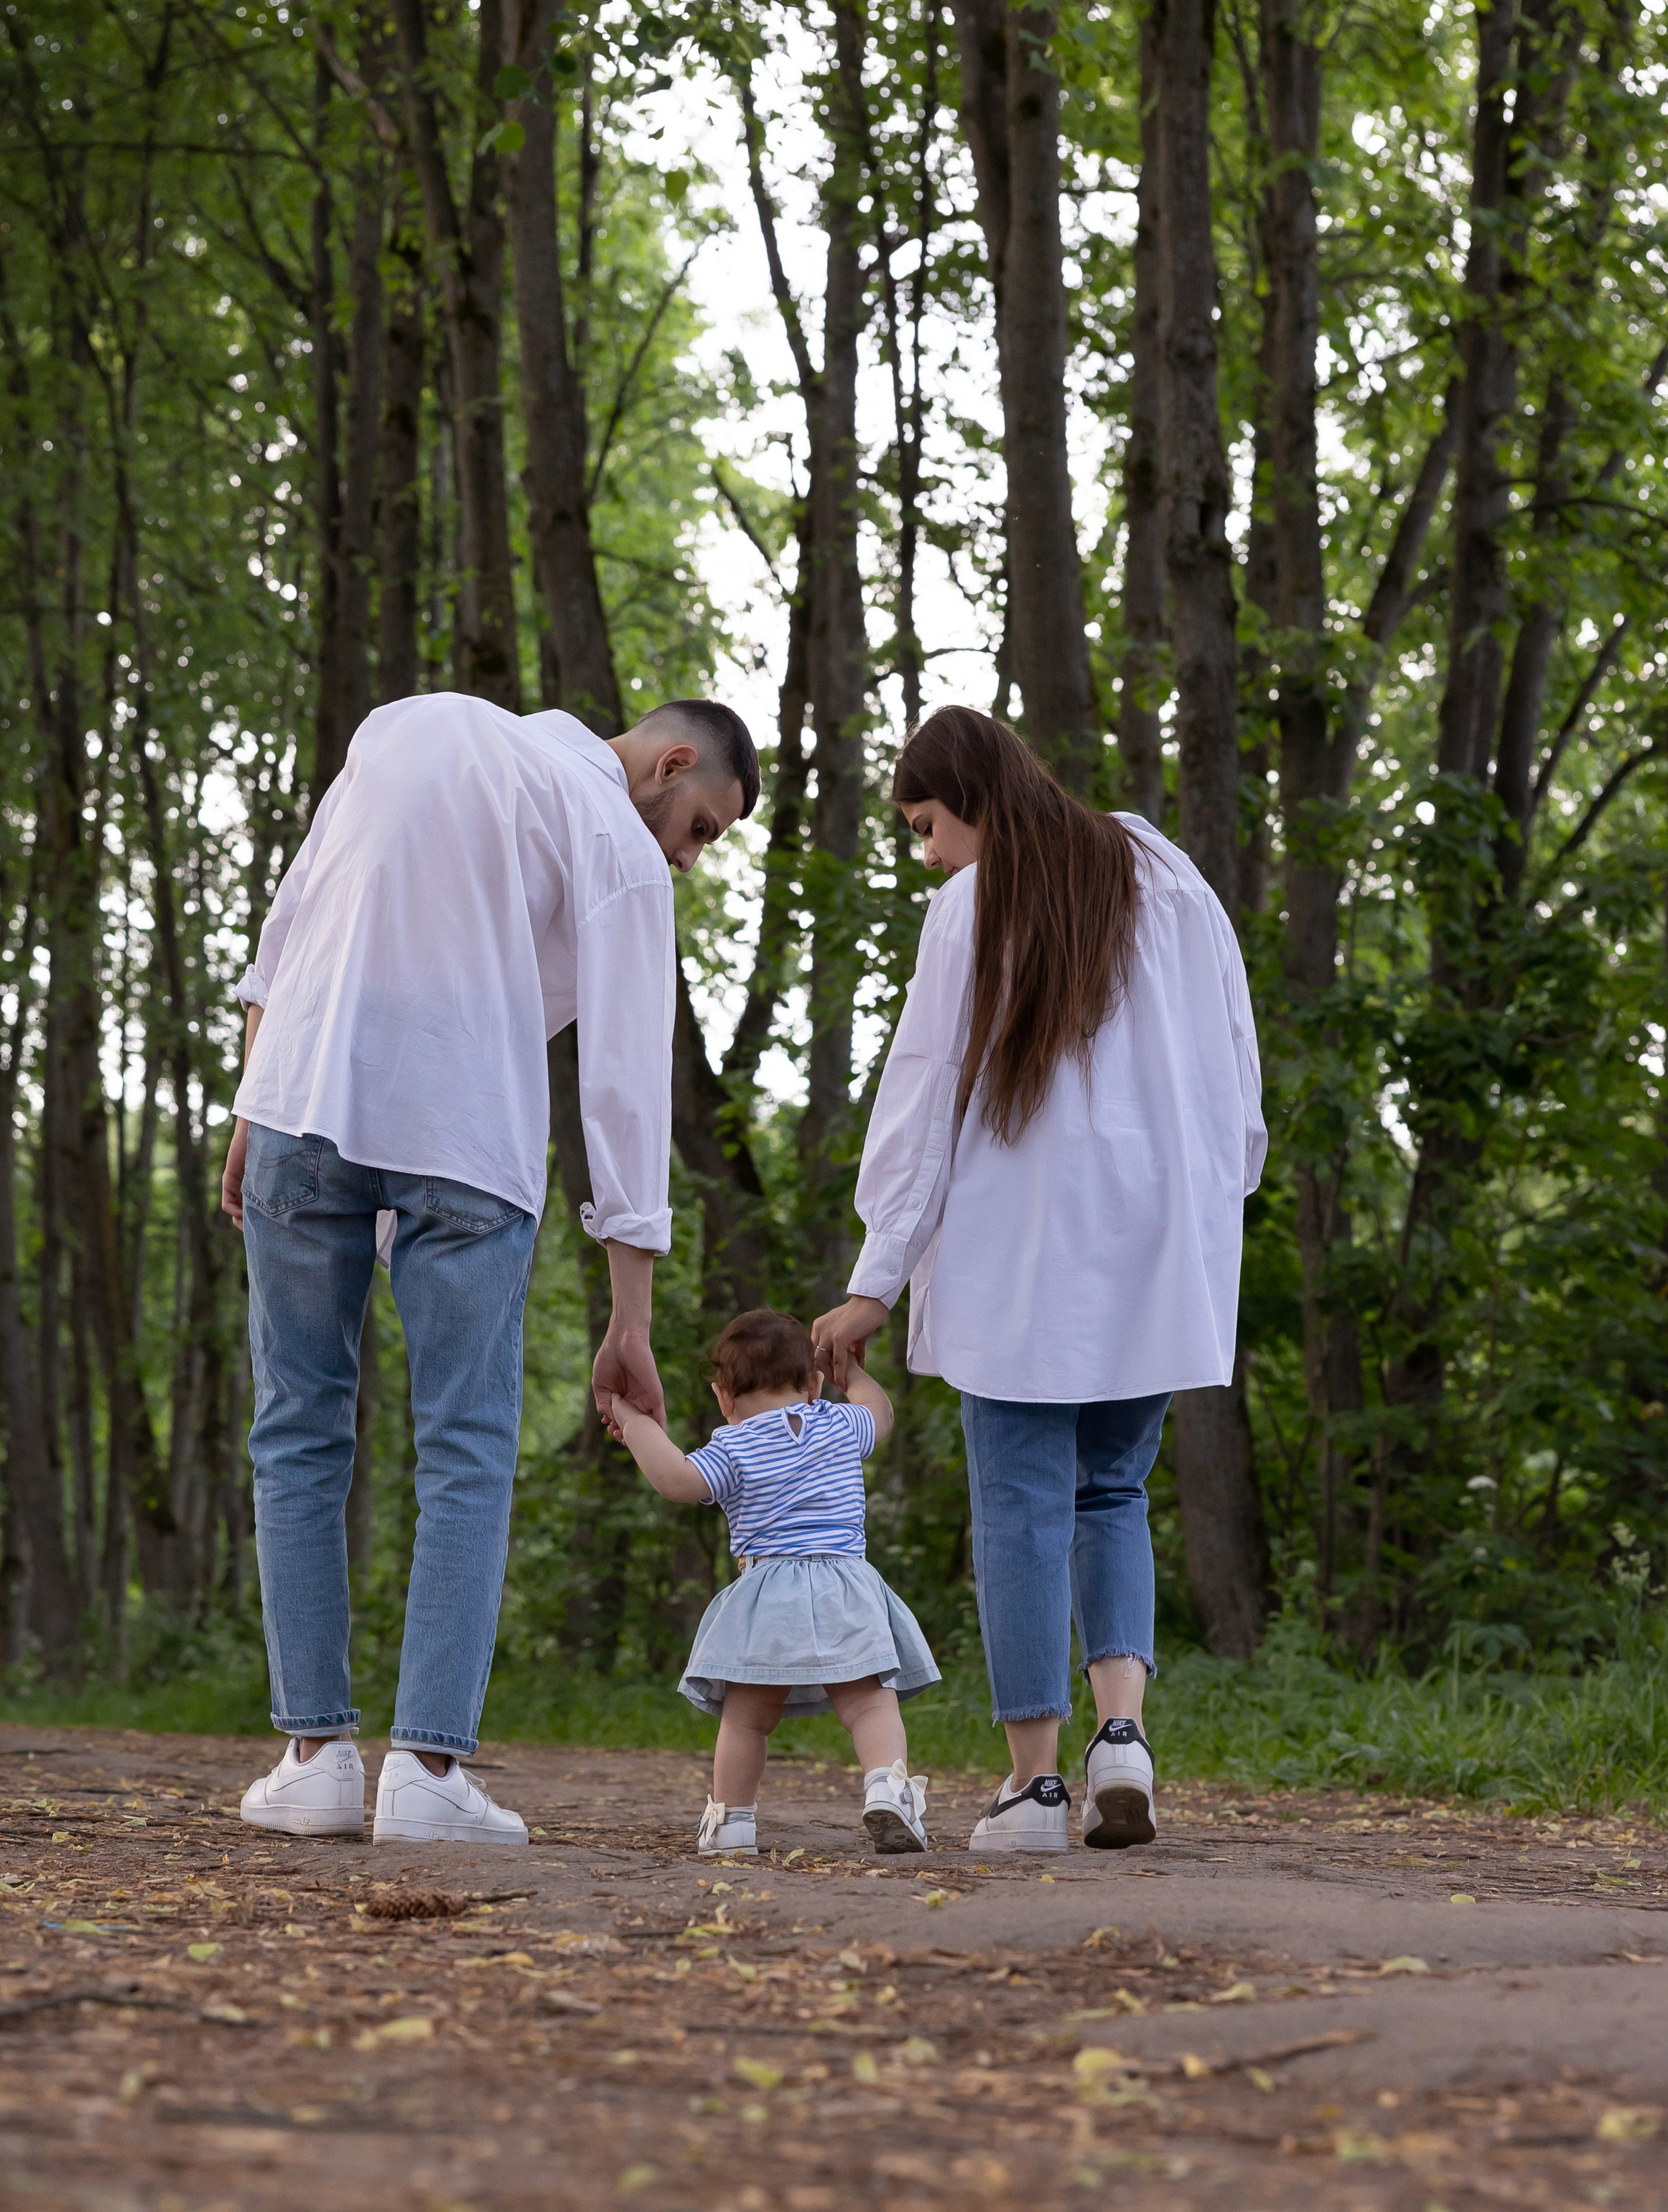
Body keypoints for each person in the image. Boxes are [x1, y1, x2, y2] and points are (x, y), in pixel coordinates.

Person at [223, 692, 759, 1848]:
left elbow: (294, 917)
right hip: (466, 1136)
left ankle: (314, 1759)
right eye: (702, 827)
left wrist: (251, 1100)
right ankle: (426, 1769)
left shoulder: (404, 723)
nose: (689, 854)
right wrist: (632, 1316)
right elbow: (621, 1083)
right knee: (464, 1445)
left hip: (298, 1101)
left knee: (297, 1429)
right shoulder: (616, 838)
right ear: (670, 764)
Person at [814, 706, 1265, 1857]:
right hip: (1160, 1244)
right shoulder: (1170, 878)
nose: (927, 854)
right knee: (1112, 1491)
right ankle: (1125, 1733)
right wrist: (1217, 1210)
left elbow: (923, 1105)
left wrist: (877, 1278)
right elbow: (1237, 1070)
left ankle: (1034, 1790)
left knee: (1019, 1506)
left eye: (926, 825)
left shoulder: (974, 907)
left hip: (1023, 1251)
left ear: (971, 796)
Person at [609, 1306, 939, 1856]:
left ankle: (733, 1820)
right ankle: (889, 1787)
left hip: (770, 1592)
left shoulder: (733, 1446)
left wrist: (633, 1418)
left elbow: (675, 1479)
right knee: (870, 1704)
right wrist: (851, 1374)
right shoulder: (838, 1421)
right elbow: (881, 1413)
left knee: (747, 1718)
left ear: (723, 1396)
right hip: (847, 1586)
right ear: (813, 1384)